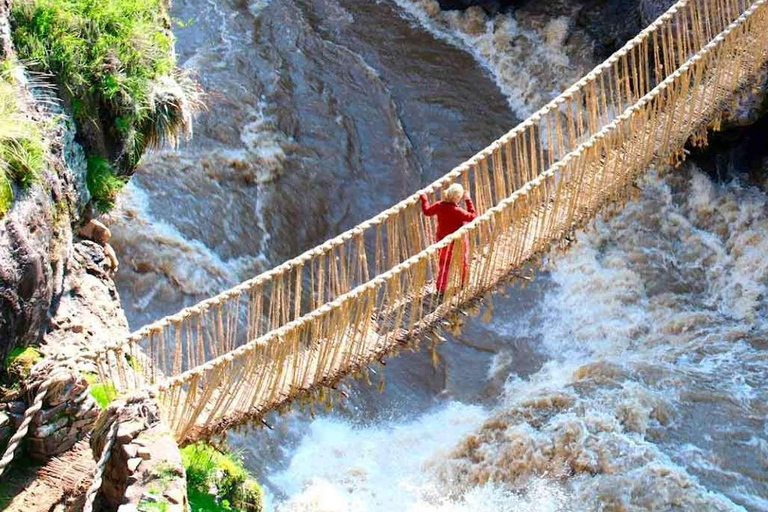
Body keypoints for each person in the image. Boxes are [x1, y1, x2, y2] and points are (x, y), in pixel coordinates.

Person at [419, 183, 477, 293]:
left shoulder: (439, 206)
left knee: (444, 263)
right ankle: (464, 282)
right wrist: (468, 200)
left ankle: (441, 287)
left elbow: (427, 212)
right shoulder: (457, 211)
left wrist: (424, 198)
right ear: (458, 198)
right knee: (462, 261)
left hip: (443, 241)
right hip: (458, 241)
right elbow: (472, 217)